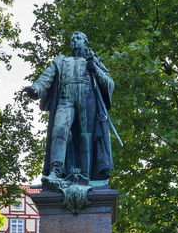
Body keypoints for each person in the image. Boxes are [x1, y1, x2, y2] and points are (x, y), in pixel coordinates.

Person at [22, 31, 114, 187]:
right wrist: (36, 89)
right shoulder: (61, 61)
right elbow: (47, 77)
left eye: (78, 38)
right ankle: (55, 173)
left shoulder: (93, 60)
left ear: (85, 43)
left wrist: (96, 69)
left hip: (88, 98)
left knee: (86, 136)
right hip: (65, 99)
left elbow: (109, 84)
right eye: (72, 39)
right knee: (59, 129)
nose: (74, 41)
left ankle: (84, 176)